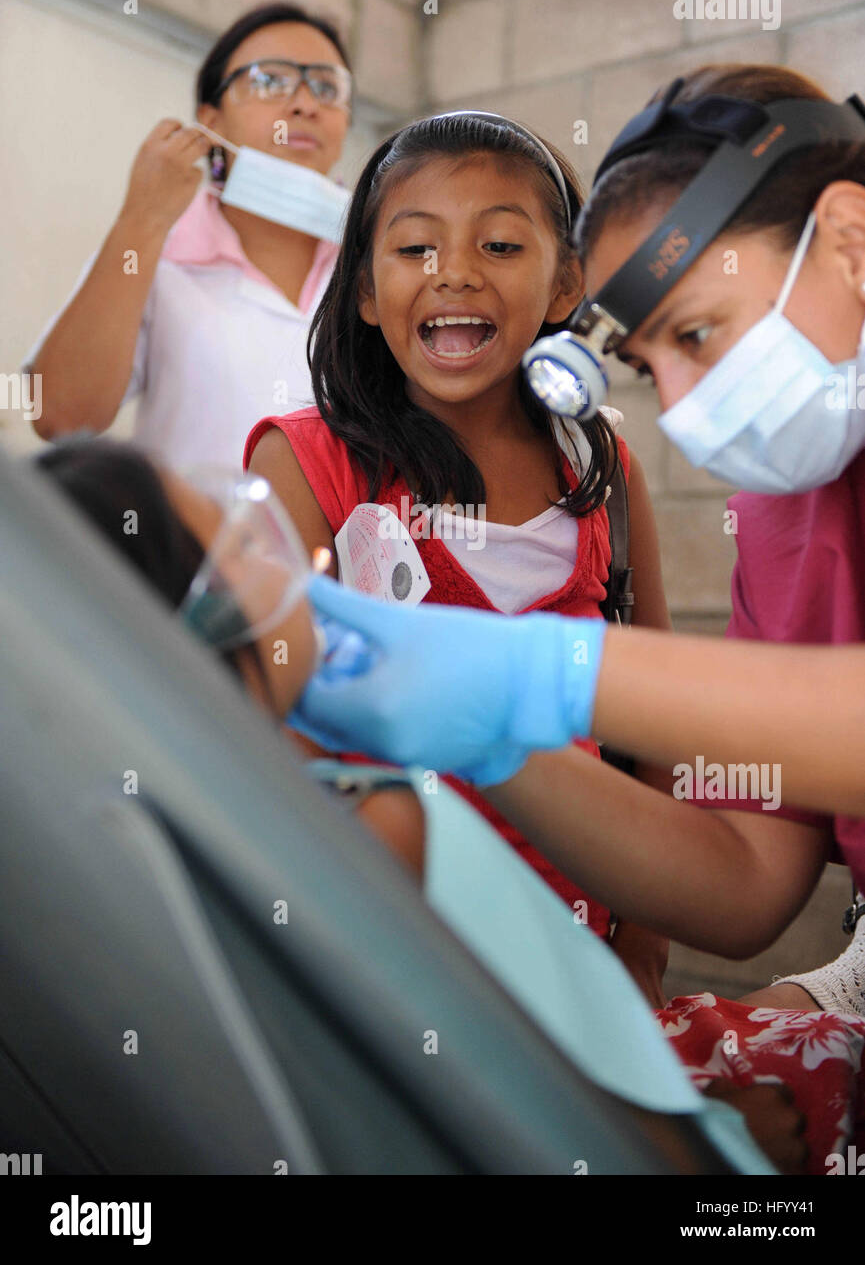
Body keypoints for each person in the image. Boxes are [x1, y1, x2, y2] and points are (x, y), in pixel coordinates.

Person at [289, 64, 865, 1171]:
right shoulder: (787, 512)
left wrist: (540, 673)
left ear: (847, 234)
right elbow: (747, 882)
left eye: (698, 335)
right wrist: (496, 746)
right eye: (650, 367)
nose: (688, 413)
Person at [34, 436, 798, 1174]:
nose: (296, 559)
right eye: (240, 545)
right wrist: (702, 1150)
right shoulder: (374, 824)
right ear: (205, 625)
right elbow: (515, 1095)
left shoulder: (173, 857)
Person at [243, 109, 673, 995]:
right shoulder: (305, 463)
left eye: (502, 246)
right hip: (377, 959)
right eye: (414, 250)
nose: (455, 275)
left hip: (579, 963)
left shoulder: (606, 468)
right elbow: (258, 729)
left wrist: (642, 941)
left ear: (566, 286)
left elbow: (656, 721)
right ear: (364, 290)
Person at [26, 1, 352, 468]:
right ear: (211, 121)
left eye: (326, 87)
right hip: (186, 542)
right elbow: (58, 415)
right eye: (270, 80)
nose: (305, 104)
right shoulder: (154, 248)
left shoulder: (378, 262)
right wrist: (141, 220)